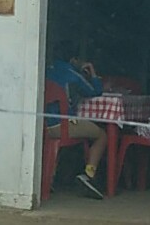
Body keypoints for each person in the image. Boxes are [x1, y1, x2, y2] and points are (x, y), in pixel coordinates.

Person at [45, 40, 107, 199]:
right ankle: (89, 175)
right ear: (73, 60)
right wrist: (92, 72)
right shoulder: (74, 75)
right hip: (62, 126)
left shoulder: (45, 70)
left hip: (42, 125)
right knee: (102, 135)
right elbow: (95, 91)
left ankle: (48, 179)